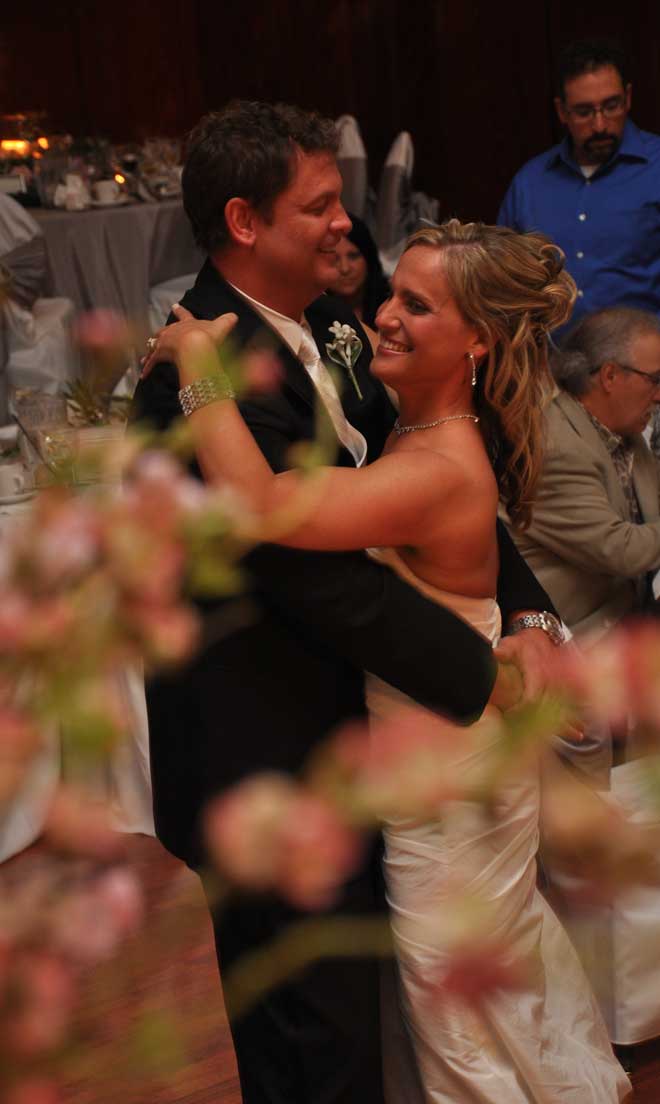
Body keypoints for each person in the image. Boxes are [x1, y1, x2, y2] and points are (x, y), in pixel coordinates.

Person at [132, 101, 567, 1104]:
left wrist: (531, 609)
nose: (345, 222)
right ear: (246, 223)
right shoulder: (185, 388)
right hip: (265, 762)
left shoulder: (338, 326)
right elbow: (318, 578)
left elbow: (440, 485)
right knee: (315, 1046)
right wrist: (479, 672)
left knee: (388, 1019)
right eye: (321, 204)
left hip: (363, 738)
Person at [511, 306, 660, 642]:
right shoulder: (554, 444)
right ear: (609, 376)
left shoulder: (626, 431)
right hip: (577, 639)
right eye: (655, 380)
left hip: (628, 613)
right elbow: (620, 550)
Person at [498, 38, 660, 334]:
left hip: (643, 369)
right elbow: (502, 282)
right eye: (584, 112)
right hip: (550, 366)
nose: (600, 125)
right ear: (562, 112)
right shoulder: (530, 183)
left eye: (611, 106)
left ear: (628, 98)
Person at [326, 213, 390, 330]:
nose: (345, 268)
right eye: (334, 260)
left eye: (353, 256)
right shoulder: (309, 312)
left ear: (368, 257)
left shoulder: (391, 301)